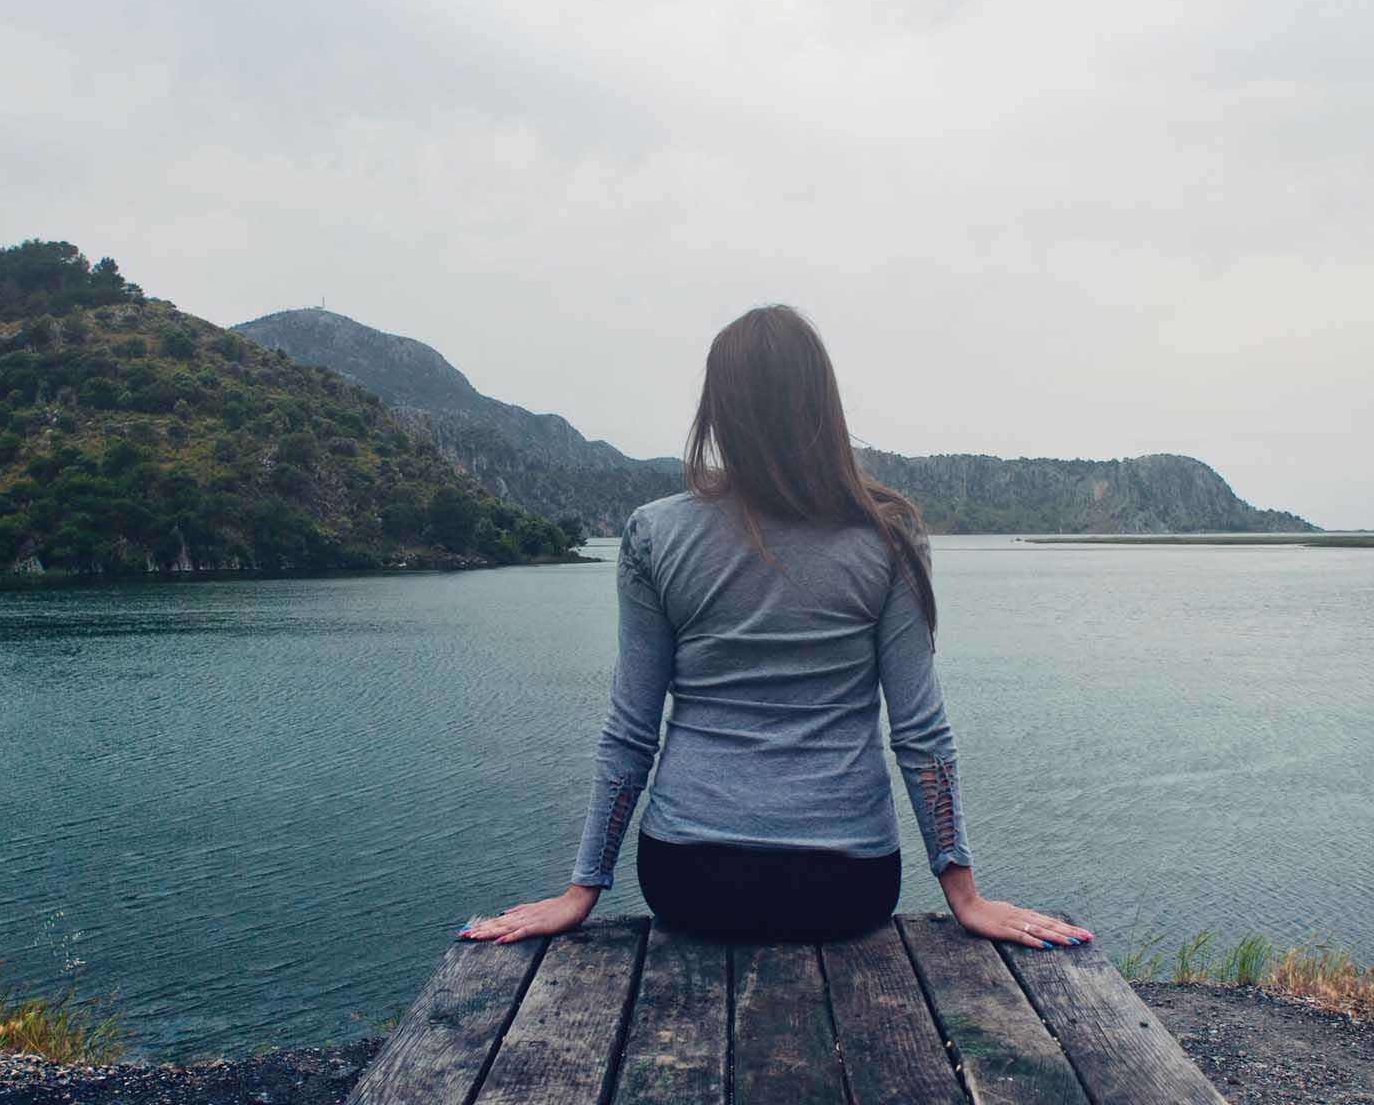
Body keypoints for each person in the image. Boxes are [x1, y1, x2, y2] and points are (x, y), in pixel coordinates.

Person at [459, 305, 1090, 951]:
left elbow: (631, 729)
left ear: (719, 410)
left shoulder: (654, 535)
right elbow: (921, 732)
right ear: (822, 404)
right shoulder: (888, 538)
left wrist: (581, 888)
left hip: (686, 879)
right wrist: (965, 895)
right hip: (847, 886)